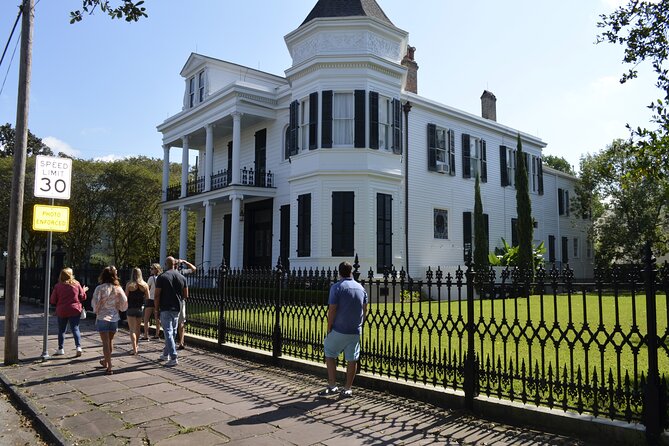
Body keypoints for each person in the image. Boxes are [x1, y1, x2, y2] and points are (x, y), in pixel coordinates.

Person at [318, 261, 368, 398]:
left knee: (329, 352)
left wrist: (329, 328)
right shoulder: (361, 288)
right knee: (352, 358)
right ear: (351, 271)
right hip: (355, 330)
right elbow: (365, 309)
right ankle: (347, 388)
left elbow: (332, 309)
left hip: (339, 329)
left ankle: (333, 385)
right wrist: (360, 324)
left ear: (339, 272)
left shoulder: (336, 287)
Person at [91, 266, 128, 375]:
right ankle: (105, 361)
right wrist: (120, 308)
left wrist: (96, 310)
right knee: (110, 341)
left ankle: (109, 365)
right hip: (114, 318)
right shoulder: (118, 288)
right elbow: (124, 301)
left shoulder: (100, 288)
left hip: (103, 317)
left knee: (105, 343)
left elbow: (95, 301)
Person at [154, 256, 188, 366]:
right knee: (172, 331)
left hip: (165, 307)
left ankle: (173, 356)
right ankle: (165, 354)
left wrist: (156, 309)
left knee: (168, 331)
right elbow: (186, 295)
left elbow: (157, 295)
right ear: (175, 264)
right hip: (177, 307)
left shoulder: (162, 277)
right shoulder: (182, 277)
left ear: (165, 264)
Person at [49, 267, 88, 357]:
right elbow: (83, 297)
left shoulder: (58, 286)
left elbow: (53, 300)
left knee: (62, 330)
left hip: (62, 310)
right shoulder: (76, 284)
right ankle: (78, 347)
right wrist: (84, 290)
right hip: (74, 309)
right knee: (75, 328)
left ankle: (61, 348)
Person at [125, 267, 149, 355]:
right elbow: (148, 297)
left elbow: (125, 297)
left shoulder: (129, 285)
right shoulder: (145, 285)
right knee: (138, 329)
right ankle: (137, 345)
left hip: (131, 308)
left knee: (132, 330)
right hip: (140, 308)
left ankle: (134, 348)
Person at [176, 258, 196, 350]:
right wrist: (186, 262)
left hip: (178, 300)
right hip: (180, 300)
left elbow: (194, 269)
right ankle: (180, 341)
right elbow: (193, 269)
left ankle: (181, 342)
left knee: (179, 322)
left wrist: (185, 262)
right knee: (180, 322)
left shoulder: (181, 272)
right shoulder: (180, 273)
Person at [143, 263, 162, 340]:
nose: (150, 270)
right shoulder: (161, 278)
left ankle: (146, 335)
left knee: (146, 318)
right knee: (157, 318)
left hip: (150, 299)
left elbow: (147, 288)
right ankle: (157, 334)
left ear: (155, 270)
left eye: (152, 269)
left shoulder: (151, 278)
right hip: (158, 300)